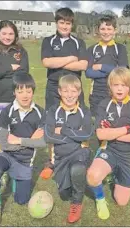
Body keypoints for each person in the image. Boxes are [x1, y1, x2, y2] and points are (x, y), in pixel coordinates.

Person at [86, 67, 130, 220]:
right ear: (110, 87)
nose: (120, 89)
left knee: (121, 201)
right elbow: (100, 133)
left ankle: (114, 175)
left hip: (129, 157)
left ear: (129, 87)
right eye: (115, 85)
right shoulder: (104, 104)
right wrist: (128, 129)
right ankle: (100, 199)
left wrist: (114, 133)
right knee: (92, 176)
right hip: (110, 150)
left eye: (124, 85)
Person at [0, 73, 46, 227]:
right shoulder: (7, 111)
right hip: (6, 155)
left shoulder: (40, 113)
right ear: (14, 92)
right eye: (20, 91)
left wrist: (19, 140)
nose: (24, 95)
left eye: (28, 91)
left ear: (33, 91)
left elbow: (43, 143)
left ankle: (14, 176)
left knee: (21, 201)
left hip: (25, 161)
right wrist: (30, 141)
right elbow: (4, 143)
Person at [40, 7, 88, 178]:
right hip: (54, 88)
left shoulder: (78, 42)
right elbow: (46, 62)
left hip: (74, 88)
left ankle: (80, 156)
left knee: (79, 121)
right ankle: (52, 161)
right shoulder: (48, 41)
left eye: (68, 23)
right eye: (62, 22)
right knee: (53, 123)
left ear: (72, 24)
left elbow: (82, 65)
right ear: (56, 23)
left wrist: (57, 62)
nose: (65, 26)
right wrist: (70, 59)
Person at [0, 20, 29, 190]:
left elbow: (23, 71)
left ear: (15, 35)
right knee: (0, 132)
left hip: (18, 99)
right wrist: (10, 67)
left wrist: (1, 70)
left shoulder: (21, 51)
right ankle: (0, 169)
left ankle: (15, 167)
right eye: (4, 33)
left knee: (16, 131)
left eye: (11, 33)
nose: (7, 37)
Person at [44, 75, 93, 223]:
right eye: (65, 91)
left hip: (80, 153)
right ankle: (75, 182)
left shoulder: (85, 111)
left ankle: (77, 202)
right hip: (60, 157)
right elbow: (48, 136)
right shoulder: (53, 111)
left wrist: (63, 129)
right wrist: (75, 135)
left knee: (77, 169)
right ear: (59, 91)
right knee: (64, 195)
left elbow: (87, 134)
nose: (70, 95)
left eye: (73, 91)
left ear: (79, 92)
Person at [85, 15, 129, 117]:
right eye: (103, 29)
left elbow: (123, 70)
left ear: (115, 30)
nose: (106, 32)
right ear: (98, 30)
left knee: (115, 121)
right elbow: (88, 72)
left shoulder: (120, 48)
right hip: (96, 92)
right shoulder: (92, 49)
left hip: (115, 91)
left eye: (109, 29)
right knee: (97, 122)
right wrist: (112, 70)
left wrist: (101, 67)